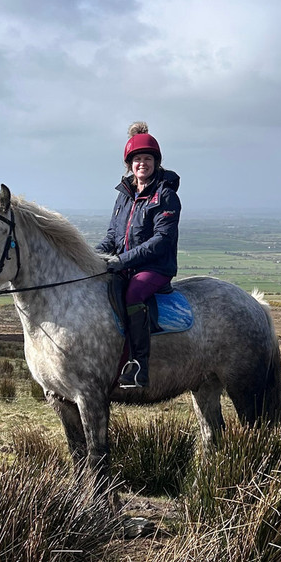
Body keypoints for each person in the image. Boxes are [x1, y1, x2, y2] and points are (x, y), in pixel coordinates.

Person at [96, 122, 181, 388]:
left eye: (147, 158)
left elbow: (161, 240)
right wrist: (93, 256)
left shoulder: (165, 196)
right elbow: (113, 235)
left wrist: (122, 260)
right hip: (126, 266)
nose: (142, 163)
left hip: (155, 268)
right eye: (137, 159)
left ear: (156, 162)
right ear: (129, 164)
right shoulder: (123, 196)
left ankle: (139, 365)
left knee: (133, 295)